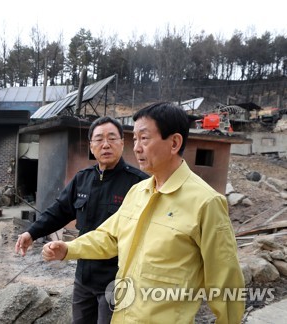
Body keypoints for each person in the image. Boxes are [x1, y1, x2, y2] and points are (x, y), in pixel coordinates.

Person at [42, 102, 245, 323]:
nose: (137, 147)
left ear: (174, 142)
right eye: (135, 139)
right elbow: (109, 237)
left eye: (145, 138)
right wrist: (69, 249)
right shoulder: (138, 192)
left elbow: (226, 280)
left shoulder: (206, 203)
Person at [15, 116, 148, 324]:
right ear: (91, 146)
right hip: (84, 278)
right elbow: (59, 211)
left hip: (117, 280)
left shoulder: (139, 184)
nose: (106, 144)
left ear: (123, 143)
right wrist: (31, 232)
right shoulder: (83, 179)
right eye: (99, 139)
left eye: (112, 138)